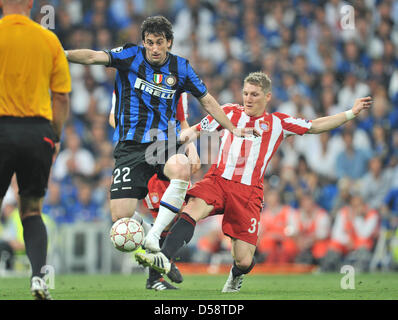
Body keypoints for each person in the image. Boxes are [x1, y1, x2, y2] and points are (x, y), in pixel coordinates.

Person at [135, 71, 372, 292]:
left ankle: (236, 275)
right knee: (191, 210)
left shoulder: (278, 123)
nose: (248, 98)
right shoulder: (228, 112)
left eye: (254, 94)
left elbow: (315, 126)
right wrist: (169, 144)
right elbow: (196, 130)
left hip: (248, 193)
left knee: (245, 260)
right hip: (218, 180)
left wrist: (351, 113)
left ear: (267, 97)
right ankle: (163, 259)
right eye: (246, 93)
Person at [65, 15, 254, 254]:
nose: (154, 48)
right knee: (120, 216)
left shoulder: (181, 68)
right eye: (150, 42)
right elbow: (93, 56)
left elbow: (206, 100)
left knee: (182, 167)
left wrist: (232, 127)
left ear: (169, 43)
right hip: (129, 147)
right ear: (143, 42)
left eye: (159, 42)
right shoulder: (129, 55)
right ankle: (148, 229)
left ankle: (154, 237)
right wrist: (62, 54)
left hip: (160, 143)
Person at [0, 0, 71, 299]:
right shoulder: (48, 38)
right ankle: (38, 279)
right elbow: (61, 98)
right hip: (38, 133)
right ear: (30, 4)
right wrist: (53, 138)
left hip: (2, 129)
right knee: (31, 210)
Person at [108, 91, 199, 290]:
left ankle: (161, 259)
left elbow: (182, 122)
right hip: (143, 158)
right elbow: (113, 119)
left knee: (185, 217)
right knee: (165, 221)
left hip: (170, 153)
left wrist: (192, 149)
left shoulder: (175, 85)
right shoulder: (125, 84)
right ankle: (156, 275)